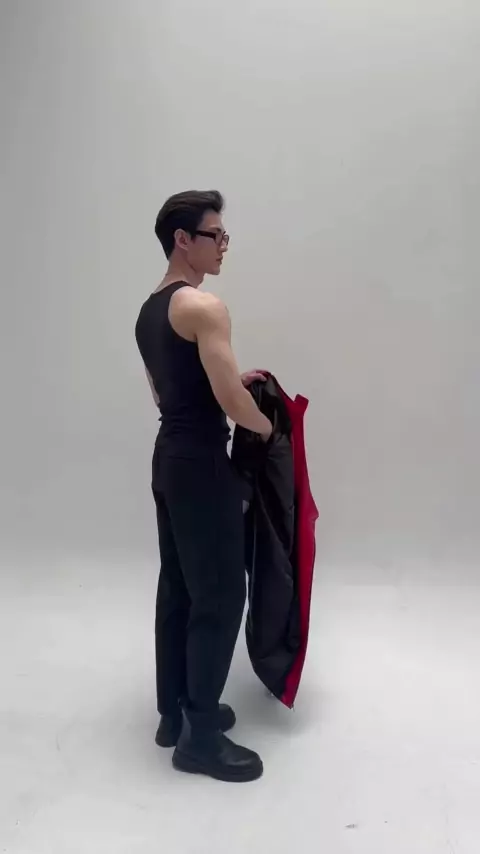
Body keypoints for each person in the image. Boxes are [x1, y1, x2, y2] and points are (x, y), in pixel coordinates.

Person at [135, 190, 272, 783]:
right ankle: (201, 741)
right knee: (218, 596)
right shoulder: (203, 306)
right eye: (215, 236)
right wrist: (268, 428)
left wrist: (230, 382)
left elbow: (166, 394)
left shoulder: (149, 311)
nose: (223, 246)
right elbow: (231, 403)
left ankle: (175, 715)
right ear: (182, 240)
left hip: (169, 461)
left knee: (179, 588)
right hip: (203, 468)